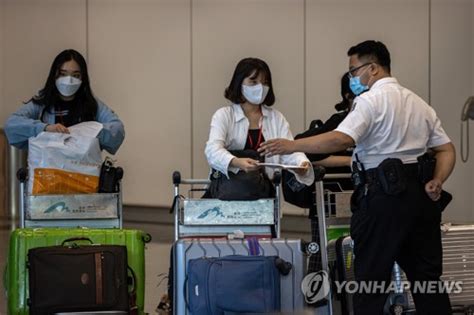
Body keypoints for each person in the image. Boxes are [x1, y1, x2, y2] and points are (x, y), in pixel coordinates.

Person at [259, 40, 455, 314]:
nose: (351, 77)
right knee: (428, 281)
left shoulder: (370, 101)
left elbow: (342, 138)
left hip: (383, 197)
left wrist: (292, 145)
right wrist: (438, 179)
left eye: (353, 70)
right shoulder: (419, 103)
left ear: (372, 68)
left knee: (370, 283)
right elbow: (446, 149)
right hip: (421, 198)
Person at [204, 57, 314, 193]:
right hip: (228, 194)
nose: (260, 88)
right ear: (239, 83)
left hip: (265, 194)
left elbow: (289, 150)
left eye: (265, 82)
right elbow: (212, 151)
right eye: (253, 81)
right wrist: (236, 162)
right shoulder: (224, 115)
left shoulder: (276, 118)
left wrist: (301, 164)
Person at [5, 49, 124, 154]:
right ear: (54, 75)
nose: (69, 80)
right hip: (48, 172)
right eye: (63, 74)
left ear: (83, 78)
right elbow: (12, 125)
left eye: (76, 75)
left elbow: (118, 130)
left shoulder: (92, 104)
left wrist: (91, 131)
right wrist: (45, 128)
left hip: (83, 174)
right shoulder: (42, 102)